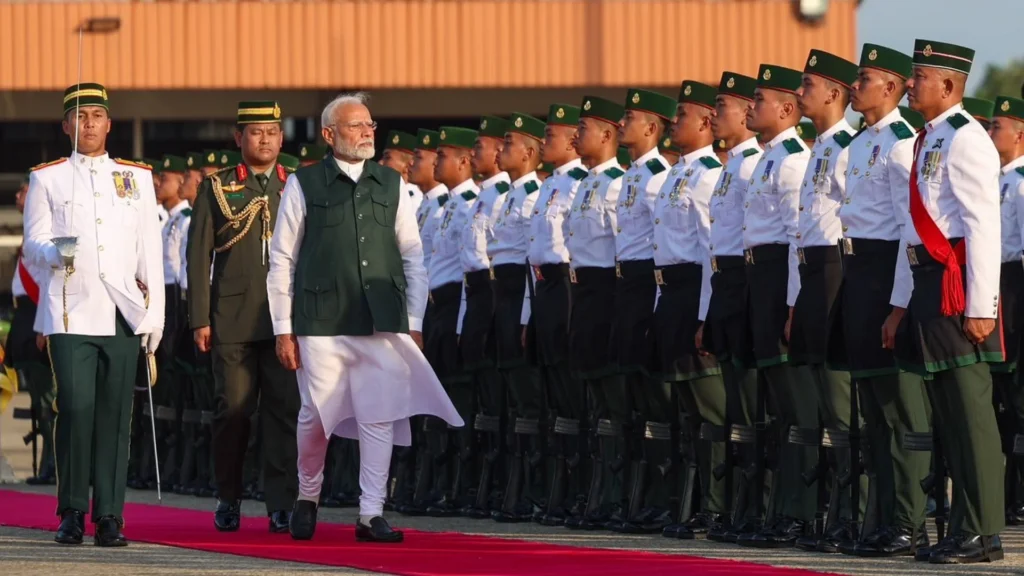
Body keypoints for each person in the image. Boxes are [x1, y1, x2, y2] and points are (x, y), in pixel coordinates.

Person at [268, 91, 462, 542]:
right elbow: (282, 259)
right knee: (317, 415)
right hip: (320, 320)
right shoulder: (305, 183)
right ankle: (307, 493)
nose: (367, 132)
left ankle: (370, 512)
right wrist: (283, 328)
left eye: (370, 124)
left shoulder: (391, 184)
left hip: (381, 318)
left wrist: (413, 321)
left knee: (380, 415)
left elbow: (413, 256)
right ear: (330, 133)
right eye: (356, 125)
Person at [24, 83, 164, 546]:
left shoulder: (135, 177)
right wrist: (55, 251)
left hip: (122, 311)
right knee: (77, 410)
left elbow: (150, 251)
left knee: (114, 415)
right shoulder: (49, 178)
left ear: (109, 123)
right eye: (80, 117)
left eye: (97, 116)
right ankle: (71, 511)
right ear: (67, 125)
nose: (89, 124)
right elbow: (32, 243)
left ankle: (110, 515)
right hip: (69, 311)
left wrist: (154, 319)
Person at [892, 39, 1003, 564]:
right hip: (928, 284)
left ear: (948, 86)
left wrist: (983, 305)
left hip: (958, 288)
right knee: (948, 416)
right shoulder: (927, 139)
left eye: (919, 76)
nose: (911, 84)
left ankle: (983, 531)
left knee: (971, 413)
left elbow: (983, 223)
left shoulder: (967, 138)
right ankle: (962, 529)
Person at [832, 44, 931, 558]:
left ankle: (910, 521)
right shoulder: (856, 144)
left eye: (864, 78)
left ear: (891, 88)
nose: (855, 86)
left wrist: (898, 305)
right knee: (872, 411)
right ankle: (880, 519)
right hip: (858, 274)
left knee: (899, 411)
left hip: (888, 274)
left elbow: (908, 230)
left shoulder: (899, 143)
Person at [186, 101, 300, 533]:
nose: (265, 139)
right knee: (232, 413)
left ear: (281, 137)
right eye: (255, 132)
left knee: (284, 412)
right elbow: (197, 257)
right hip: (231, 318)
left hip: (284, 319)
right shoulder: (217, 188)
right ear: (238, 138)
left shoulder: (296, 185)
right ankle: (228, 497)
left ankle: (281, 503)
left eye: (272, 131)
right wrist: (200, 317)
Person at [736, 64, 815, 549]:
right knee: (776, 409)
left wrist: (791, 303)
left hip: (779, 280)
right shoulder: (768, 157)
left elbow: (795, 237)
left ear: (785, 110)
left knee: (796, 408)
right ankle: (779, 506)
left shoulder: (791, 159)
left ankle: (800, 511)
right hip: (758, 279)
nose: (750, 107)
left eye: (758, 100)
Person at [790, 49, 861, 553]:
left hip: (838, 268)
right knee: (816, 394)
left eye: (807, 85)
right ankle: (828, 513)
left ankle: (851, 515)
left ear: (835, 93)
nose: (799, 94)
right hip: (811, 271)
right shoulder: (817, 147)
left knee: (841, 403)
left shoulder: (849, 146)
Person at [653, 80, 728, 540]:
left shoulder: (707, 176)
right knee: (685, 410)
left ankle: (717, 506)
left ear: (704, 123)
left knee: (710, 408)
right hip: (670, 295)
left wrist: (704, 316)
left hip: (693, 291)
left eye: (681, 116)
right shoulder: (676, 173)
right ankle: (691, 503)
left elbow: (708, 251)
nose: (673, 123)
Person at [701, 71, 765, 543]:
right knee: (735, 406)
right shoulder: (730, 167)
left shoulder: (753, 164)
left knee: (749, 401)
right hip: (723, 284)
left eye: (721, 107)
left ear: (747, 113)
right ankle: (736, 506)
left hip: (745, 283)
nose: (713, 116)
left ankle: (753, 506)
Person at [610, 88, 676, 534]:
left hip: (648, 287)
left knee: (658, 402)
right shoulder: (633, 175)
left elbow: (662, 245)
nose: (621, 124)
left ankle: (665, 496)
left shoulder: (657, 175)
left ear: (651, 127)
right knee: (634, 400)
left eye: (629, 117)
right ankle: (644, 496)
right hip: (625, 289)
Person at [562, 95, 628, 530]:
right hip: (582, 293)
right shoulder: (585, 183)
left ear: (606, 135)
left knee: (615, 401)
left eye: (582, 128)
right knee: (595, 402)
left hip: (609, 294)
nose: (574, 135)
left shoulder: (620, 183)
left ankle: (619, 495)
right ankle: (600, 493)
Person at [525, 103, 588, 526]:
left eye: (552, 136)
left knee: (571, 389)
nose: (543, 143)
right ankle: (559, 490)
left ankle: (580, 488)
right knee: (552, 389)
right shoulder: (549, 186)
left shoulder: (581, 183)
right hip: (543, 286)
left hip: (568, 285)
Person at [422, 125, 481, 515]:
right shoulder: (448, 206)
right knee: (437, 400)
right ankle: (440, 485)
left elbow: (468, 271)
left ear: (462, 162)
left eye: (444, 155)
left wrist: (460, 322)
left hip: (455, 304)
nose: (435, 161)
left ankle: (462, 486)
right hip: (435, 309)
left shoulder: (472, 200)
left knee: (459, 400)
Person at [490, 112, 546, 522]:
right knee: (511, 399)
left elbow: (533, 267)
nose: (499, 150)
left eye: (507, 144)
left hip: (520, 298)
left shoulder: (530, 195)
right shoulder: (509, 194)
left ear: (528, 152)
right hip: (501, 297)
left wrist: (527, 317)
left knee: (530, 400)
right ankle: (516, 487)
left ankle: (534, 489)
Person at [457, 115, 512, 518]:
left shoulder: (510, 192)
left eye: (483, 147)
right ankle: (486, 484)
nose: (476, 154)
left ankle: (504, 485)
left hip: (498, 295)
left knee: (502, 396)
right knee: (482, 398)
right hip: (473, 298)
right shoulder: (483, 196)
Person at [988, 95, 1024, 524]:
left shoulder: (1019, 182)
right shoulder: (994, 179)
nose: (990, 132)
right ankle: (1005, 491)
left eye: (997, 125)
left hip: (1015, 287)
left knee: (1016, 398)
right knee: (1001, 396)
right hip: (996, 284)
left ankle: (1018, 492)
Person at [8, 174, 54, 486]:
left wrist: (46, 324)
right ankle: (46, 464)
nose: (17, 196)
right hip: (25, 313)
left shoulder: (45, 232)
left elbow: (49, 281)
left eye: (24, 190)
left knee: (49, 398)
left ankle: (54, 463)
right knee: (37, 398)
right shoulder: (28, 229)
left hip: (39, 313)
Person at [381, 130, 423, 213]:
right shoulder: (390, 195)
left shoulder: (414, 201)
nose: (381, 163)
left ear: (407, 166)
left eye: (387, 157)